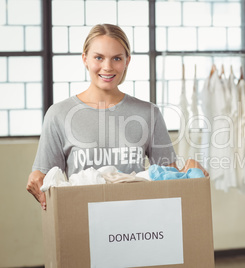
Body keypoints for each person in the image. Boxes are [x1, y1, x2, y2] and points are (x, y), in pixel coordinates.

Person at [26, 24, 208, 210]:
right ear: (85, 59)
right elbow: (46, 181)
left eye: (116, 58)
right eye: (99, 57)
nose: (108, 67)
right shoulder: (59, 114)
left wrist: (189, 170)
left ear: (127, 61)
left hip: (138, 222)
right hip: (81, 221)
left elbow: (169, 178)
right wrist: (36, 181)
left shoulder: (148, 113)